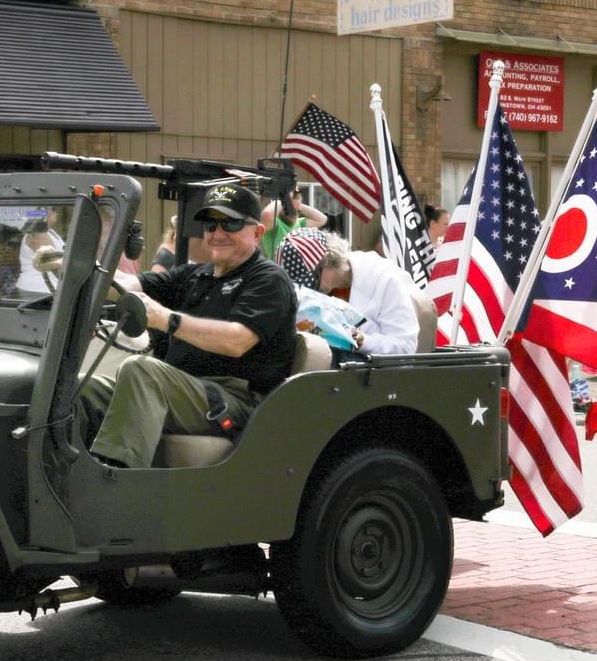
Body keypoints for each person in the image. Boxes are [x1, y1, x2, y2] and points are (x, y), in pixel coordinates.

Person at [81, 183, 298, 469]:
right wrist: (79, 267)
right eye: (210, 225)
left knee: (140, 369)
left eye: (230, 224)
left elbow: (236, 341)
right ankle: (65, 471)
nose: (218, 234)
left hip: (233, 401)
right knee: (82, 386)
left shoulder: (268, 280)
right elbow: (131, 284)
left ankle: (115, 483)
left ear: (257, 232)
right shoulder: (196, 274)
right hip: (180, 388)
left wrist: (165, 318)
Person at [274, 228, 419, 355]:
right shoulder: (318, 293)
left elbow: (406, 346)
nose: (311, 289)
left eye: (312, 279)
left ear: (329, 259)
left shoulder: (385, 279)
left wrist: (364, 341)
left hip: (376, 377)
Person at [260, 186, 327, 258]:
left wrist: (298, 204)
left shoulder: (299, 224)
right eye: (289, 209)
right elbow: (267, 214)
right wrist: (284, 199)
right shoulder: (275, 224)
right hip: (277, 268)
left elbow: (322, 219)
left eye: (297, 211)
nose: (293, 214)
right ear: (281, 207)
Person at [16, 210, 65, 296]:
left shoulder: (51, 232)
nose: (56, 212)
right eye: (53, 209)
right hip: (38, 289)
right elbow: (53, 262)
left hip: (49, 288)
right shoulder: (37, 233)